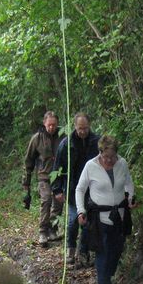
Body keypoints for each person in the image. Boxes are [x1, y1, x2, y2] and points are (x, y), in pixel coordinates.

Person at [75, 135, 136, 284]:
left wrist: (130, 198)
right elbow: (80, 189)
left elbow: (128, 183)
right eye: (106, 157)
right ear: (100, 153)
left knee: (116, 249)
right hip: (99, 217)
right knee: (103, 250)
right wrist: (81, 211)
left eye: (112, 156)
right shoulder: (91, 166)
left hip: (120, 215)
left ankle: (107, 278)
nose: (109, 160)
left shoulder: (122, 164)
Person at [52, 112, 100, 266]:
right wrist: (57, 189)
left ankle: (84, 252)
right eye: (80, 128)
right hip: (73, 190)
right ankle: (71, 251)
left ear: (89, 126)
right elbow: (57, 167)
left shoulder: (97, 142)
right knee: (73, 221)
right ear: (75, 127)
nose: (82, 131)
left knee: (87, 222)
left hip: (92, 190)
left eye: (85, 128)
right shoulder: (66, 144)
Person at [22, 110, 63, 245]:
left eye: (54, 125)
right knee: (46, 200)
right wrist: (26, 182)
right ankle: (42, 232)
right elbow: (29, 161)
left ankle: (52, 229)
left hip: (59, 175)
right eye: (49, 125)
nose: (52, 127)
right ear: (44, 124)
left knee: (58, 204)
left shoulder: (63, 136)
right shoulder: (37, 138)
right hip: (44, 176)